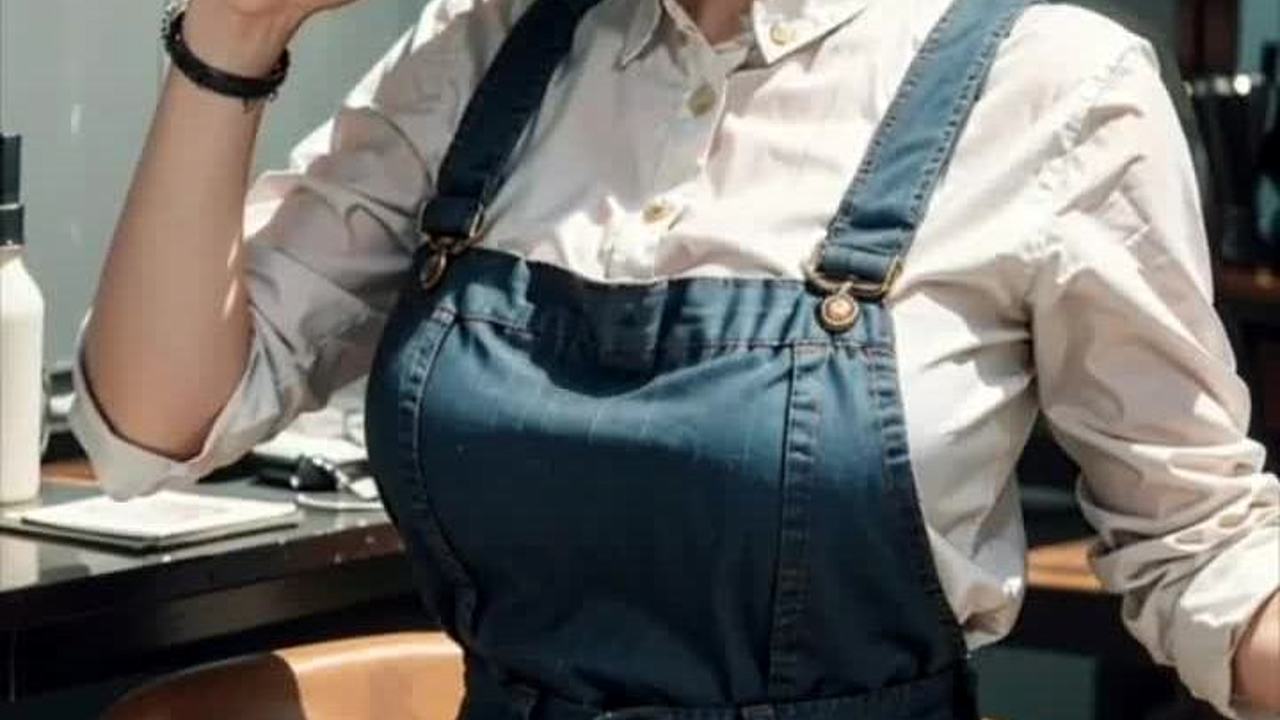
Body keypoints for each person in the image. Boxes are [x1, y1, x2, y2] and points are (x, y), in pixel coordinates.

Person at [71, 0, 1279, 717]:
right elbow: (150, 431)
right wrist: (233, 32)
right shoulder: (487, 48)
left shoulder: (1055, 90)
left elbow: (1199, 546)